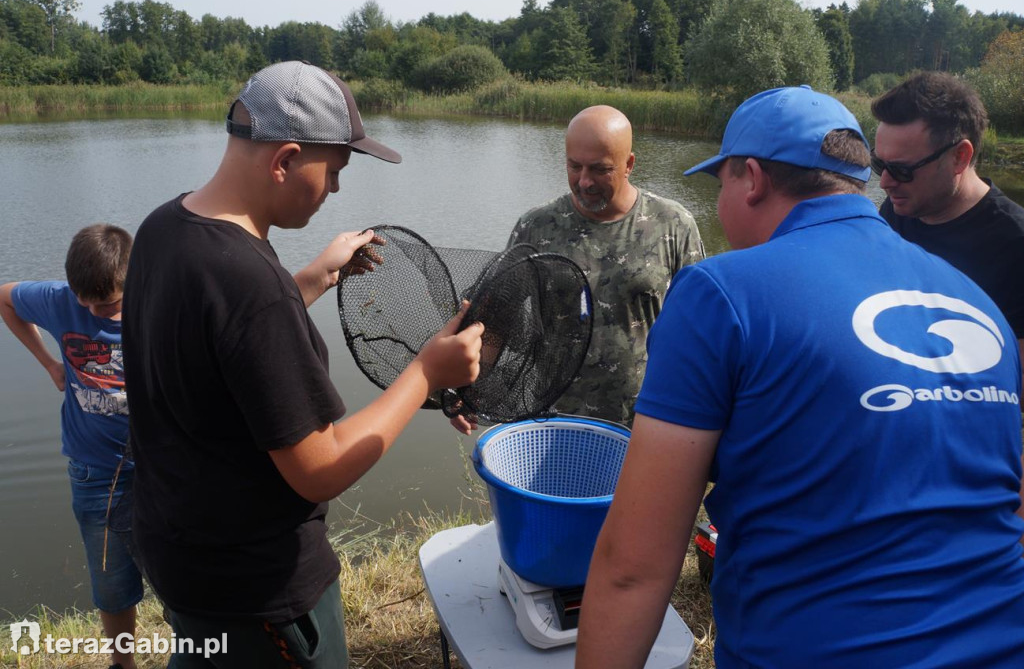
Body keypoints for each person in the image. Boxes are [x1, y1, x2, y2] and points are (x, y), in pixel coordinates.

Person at [576, 86, 1024, 668]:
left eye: (722, 185)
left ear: (752, 179)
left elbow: (633, 568)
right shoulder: (977, 301)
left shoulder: (721, 293)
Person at [121, 61, 483, 668]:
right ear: (285, 159)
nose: (336, 190)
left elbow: (223, 340)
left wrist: (313, 279)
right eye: (334, 171)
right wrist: (425, 371)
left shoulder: (165, 227)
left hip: (182, 560)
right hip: (261, 596)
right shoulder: (250, 283)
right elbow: (322, 469)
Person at [451, 104, 704, 432]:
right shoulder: (536, 226)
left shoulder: (673, 225)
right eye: (574, 166)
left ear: (628, 165)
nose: (584, 182)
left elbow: (698, 329)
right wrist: (467, 388)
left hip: (642, 424)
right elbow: (497, 317)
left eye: (600, 169)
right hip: (549, 418)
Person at [1, 224, 142, 669]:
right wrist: (48, 363)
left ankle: (195, 653)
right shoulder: (61, 300)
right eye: (86, 301)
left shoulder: (157, 301)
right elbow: (5, 297)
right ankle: (124, 664)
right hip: (94, 474)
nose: (94, 310)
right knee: (111, 582)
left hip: (162, 471)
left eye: (108, 303)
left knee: (181, 576)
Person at [872, 71, 1024, 388]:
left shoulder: (1015, 244)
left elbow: (1016, 385)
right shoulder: (898, 211)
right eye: (879, 165)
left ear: (959, 157)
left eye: (901, 169)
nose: (885, 182)